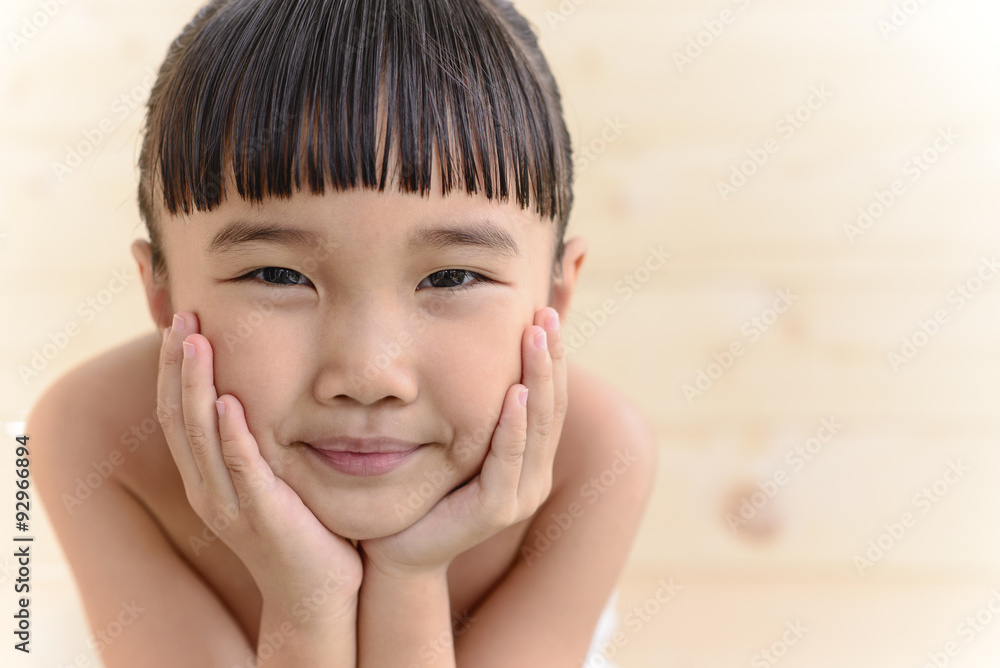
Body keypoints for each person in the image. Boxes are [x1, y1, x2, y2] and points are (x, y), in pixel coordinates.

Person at [28, 1, 658, 666]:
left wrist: (410, 577)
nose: (367, 374)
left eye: (450, 278)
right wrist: (311, 602)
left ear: (556, 292)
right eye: (276, 274)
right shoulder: (92, 437)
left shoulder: (595, 459)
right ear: (160, 290)